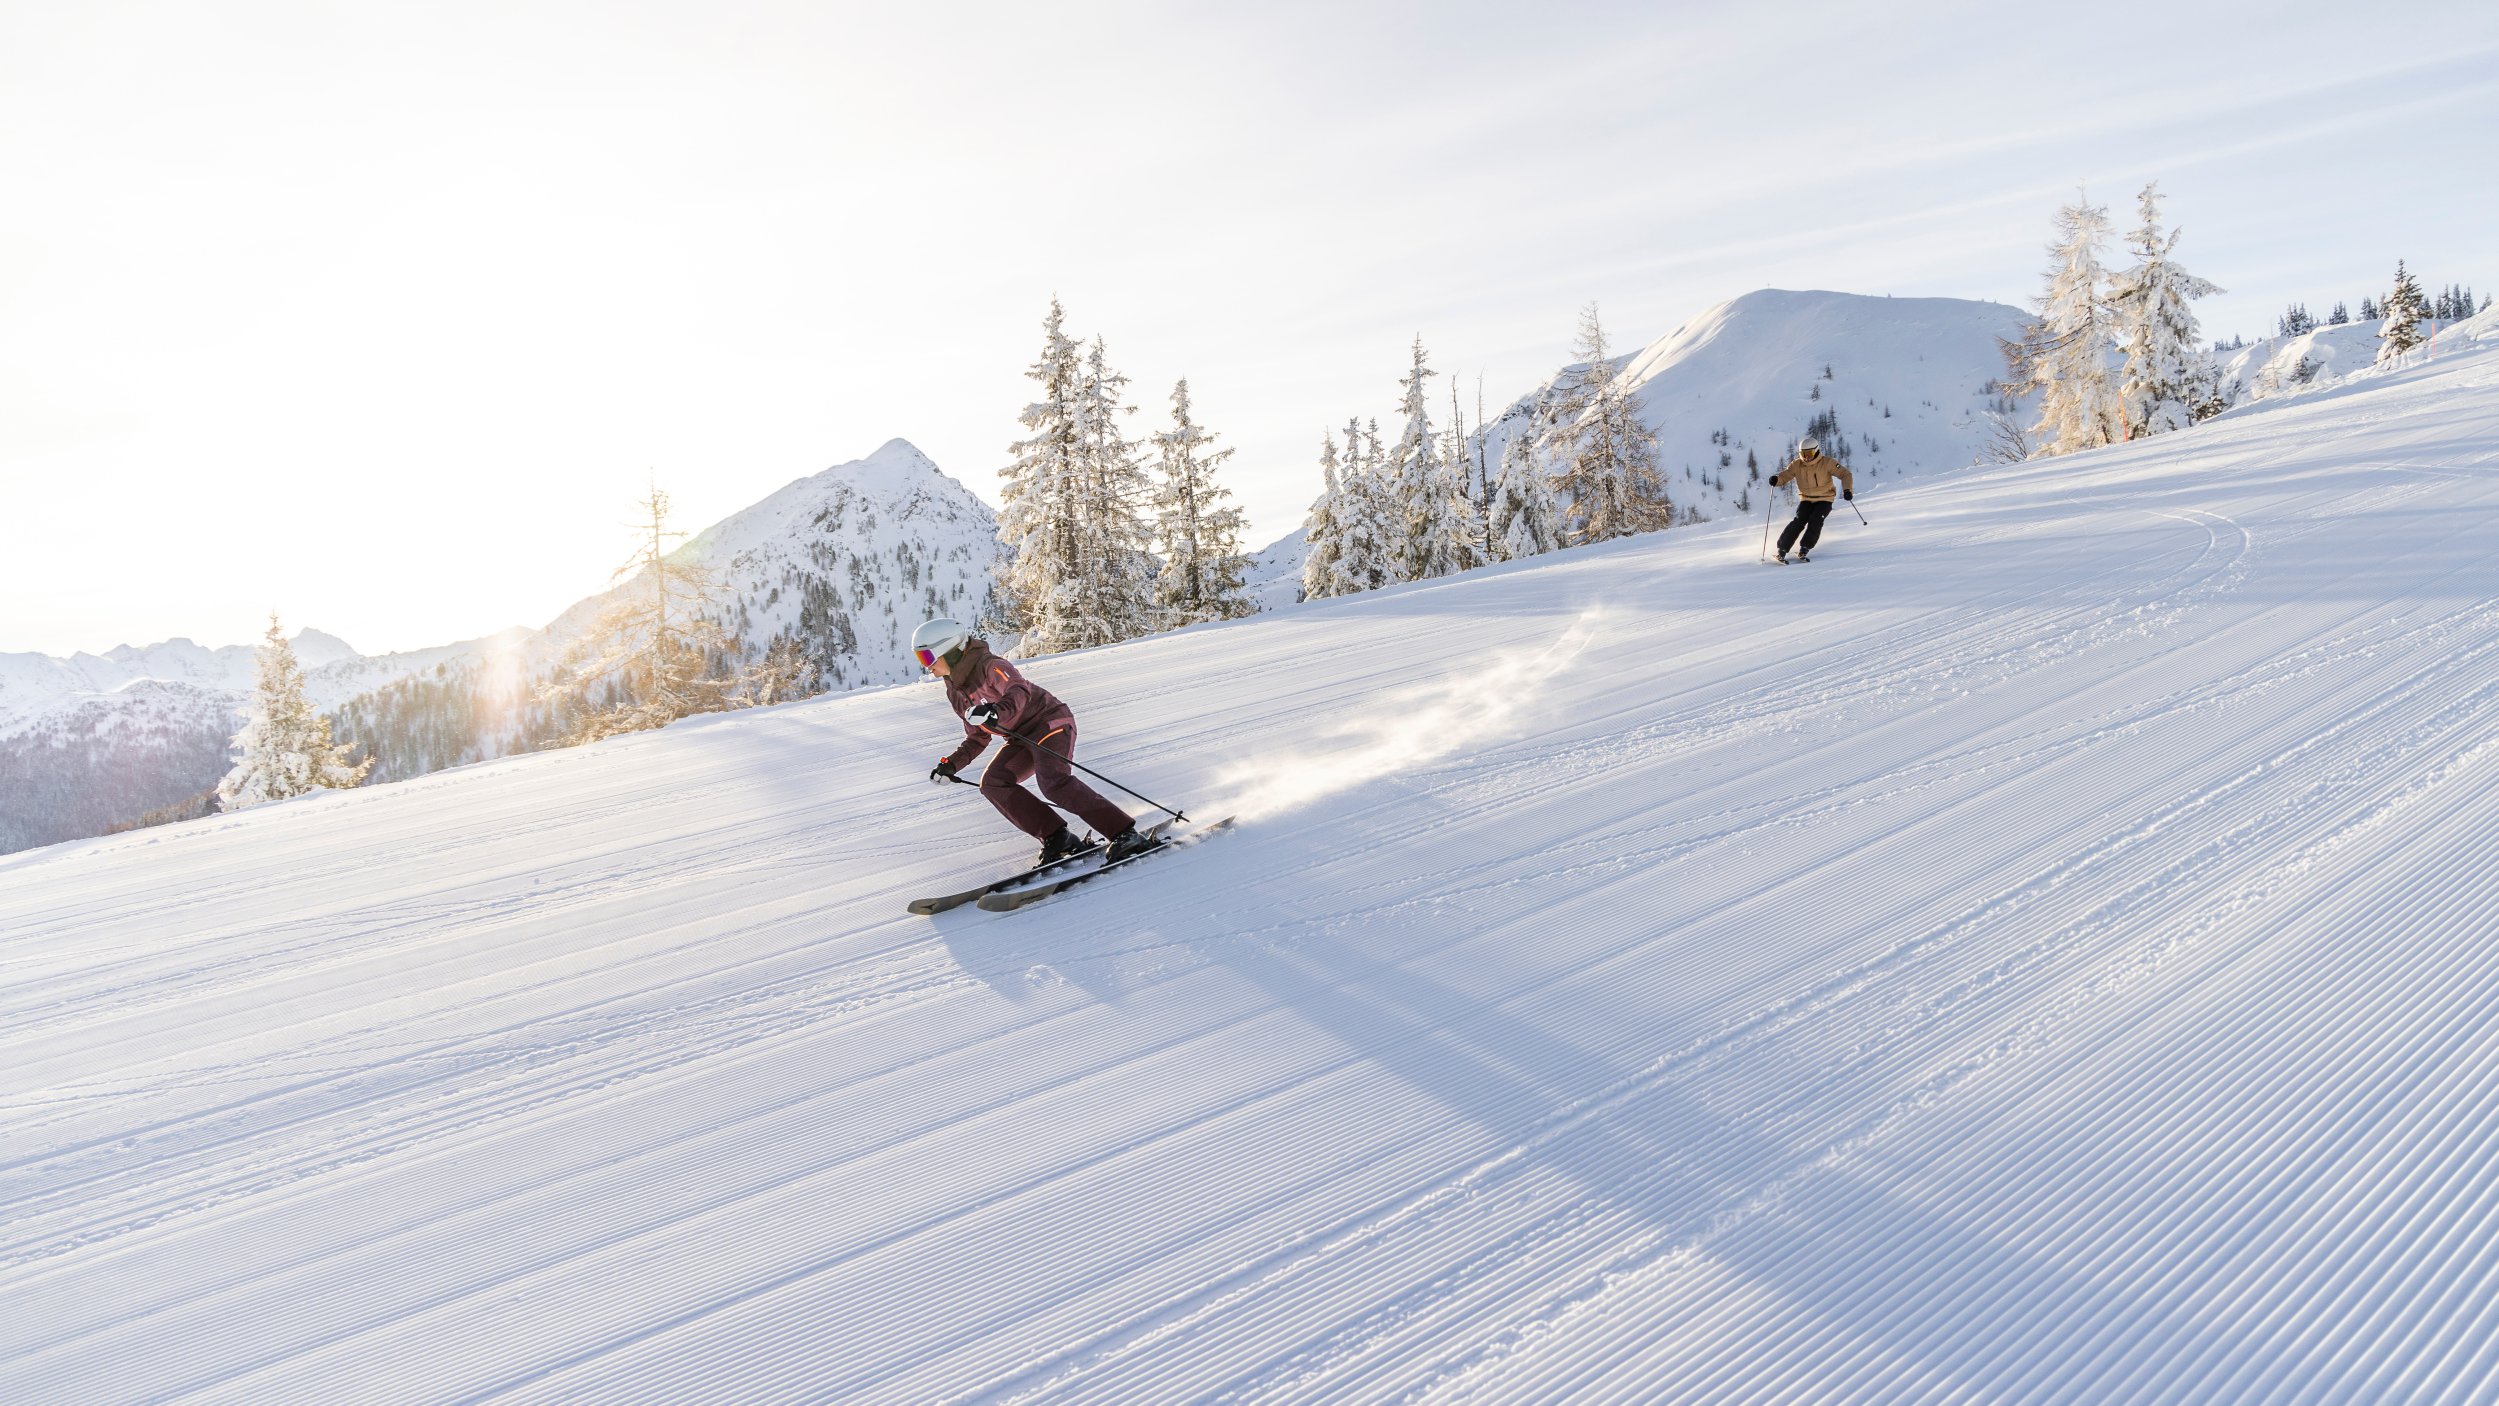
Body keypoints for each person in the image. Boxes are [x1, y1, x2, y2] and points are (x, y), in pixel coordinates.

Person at [913, 617, 1149, 866]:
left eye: (927, 657)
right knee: (993, 783)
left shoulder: (990, 665)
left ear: (949, 650)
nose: (926, 666)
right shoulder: (955, 692)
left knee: (1053, 783)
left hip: (1049, 722)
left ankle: (1124, 833)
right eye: (920, 658)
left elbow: (1018, 690)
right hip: (1019, 738)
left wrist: (995, 713)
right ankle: (1057, 837)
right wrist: (952, 764)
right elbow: (978, 736)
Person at [1768, 436, 1855, 563]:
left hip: (1825, 499)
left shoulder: (1827, 463)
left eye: (1809, 453)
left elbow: (1845, 474)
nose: (1806, 457)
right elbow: (1785, 475)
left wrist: (1847, 490)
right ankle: (1782, 549)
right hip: (1806, 499)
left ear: (1816, 451)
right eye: (1803, 454)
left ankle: (1805, 548)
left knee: (1816, 520)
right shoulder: (1797, 465)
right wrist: (1776, 480)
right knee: (1799, 521)